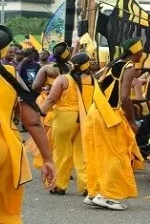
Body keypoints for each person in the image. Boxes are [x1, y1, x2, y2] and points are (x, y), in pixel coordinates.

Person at [0, 24, 56, 223]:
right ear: (4, 50)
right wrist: (48, 160)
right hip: (7, 146)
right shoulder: (10, 73)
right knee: (6, 213)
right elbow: (32, 122)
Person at [83, 38, 145, 210]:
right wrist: (132, 121)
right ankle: (106, 195)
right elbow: (125, 97)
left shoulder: (112, 64)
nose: (142, 55)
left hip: (95, 112)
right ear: (136, 52)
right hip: (108, 115)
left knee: (98, 153)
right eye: (141, 52)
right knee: (115, 155)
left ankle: (93, 192)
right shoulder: (129, 67)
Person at [40, 53, 94, 196]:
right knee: (82, 153)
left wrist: (40, 113)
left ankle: (59, 185)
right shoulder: (92, 80)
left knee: (61, 151)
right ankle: (88, 185)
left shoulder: (64, 79)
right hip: (84, 119)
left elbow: (51, 99)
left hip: (64, 118)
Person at [29, 42, 72, 169]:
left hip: (48, 105)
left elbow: (35, 87)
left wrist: (48, 88)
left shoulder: (47, 69)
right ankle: (63, 167)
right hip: (67, 107)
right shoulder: (72, 68)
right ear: (67, 56)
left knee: (49, 139)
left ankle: (52, 164)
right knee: (65, 141)